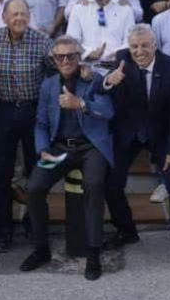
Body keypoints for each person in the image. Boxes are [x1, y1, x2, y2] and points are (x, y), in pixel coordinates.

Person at [18, 36, 116, 280]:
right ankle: (41, 248)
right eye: (60, 56)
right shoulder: (48, 85)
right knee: (34, 187)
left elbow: (108, 111)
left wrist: (80, 103)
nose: (65, 60)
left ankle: (93, 252)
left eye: (71, 55)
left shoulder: (92, 79)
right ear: (53, 59)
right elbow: (40, 123)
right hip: (60, 149)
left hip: (90, 147)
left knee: (93, 185)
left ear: (78, 57)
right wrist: (42, 149)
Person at [0, 0, 52, 251]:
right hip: (3, 110)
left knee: (37, 172)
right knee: (1, 174)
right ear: (4, 17)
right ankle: (3, 231)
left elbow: (60, 68)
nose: (19, 18)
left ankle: (34, 225)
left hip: (33, 111)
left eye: (23, 13)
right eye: (14, 14)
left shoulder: (42, 40)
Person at [101, 24, 170, 217]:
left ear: (155, 46)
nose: (139, 51)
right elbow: (101, 88)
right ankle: (126, 231)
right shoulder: (122, 59)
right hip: (129, 132)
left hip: (161, 132)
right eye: (135, 47)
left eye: (145, 45)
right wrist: (108, 82)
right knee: (111, 182)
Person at [67, 0, 134, 60]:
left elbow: (130, 40)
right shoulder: (79, 8)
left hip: (116, 65)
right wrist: (88, 53)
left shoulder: (125, 8)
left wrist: (113, 55)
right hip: (88, 66)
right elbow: (72, 40)